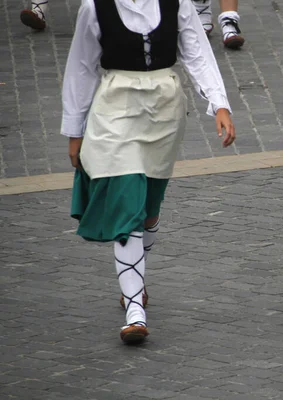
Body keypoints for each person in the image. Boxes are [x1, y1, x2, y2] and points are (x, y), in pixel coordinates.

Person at [61, 0, 235, 344]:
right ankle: (134, 310)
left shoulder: (178, 3)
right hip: (114, 107)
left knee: (148, 210)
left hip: (164, 108)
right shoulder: (94, 7)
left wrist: (220, 104)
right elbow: (81, 68)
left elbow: (197, 52)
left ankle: (136, 279)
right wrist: (75, 130)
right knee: (128, 205)